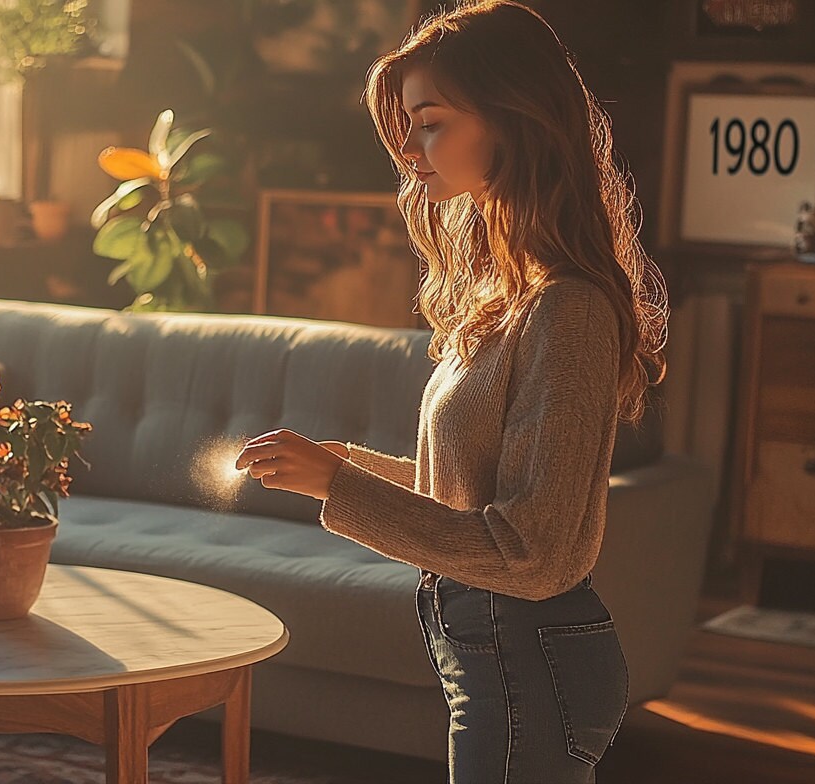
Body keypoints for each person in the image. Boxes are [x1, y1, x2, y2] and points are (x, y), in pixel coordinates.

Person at [233, 2, 669, 781]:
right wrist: (352, 471)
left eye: (429, 121)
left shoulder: (568, 311)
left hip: (528, 663)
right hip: (497, 656)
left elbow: (530, 552)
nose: (408, 148)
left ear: (513, 119)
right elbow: (484, 499)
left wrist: (340, 488)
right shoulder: (514, 293)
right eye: (406, 124)